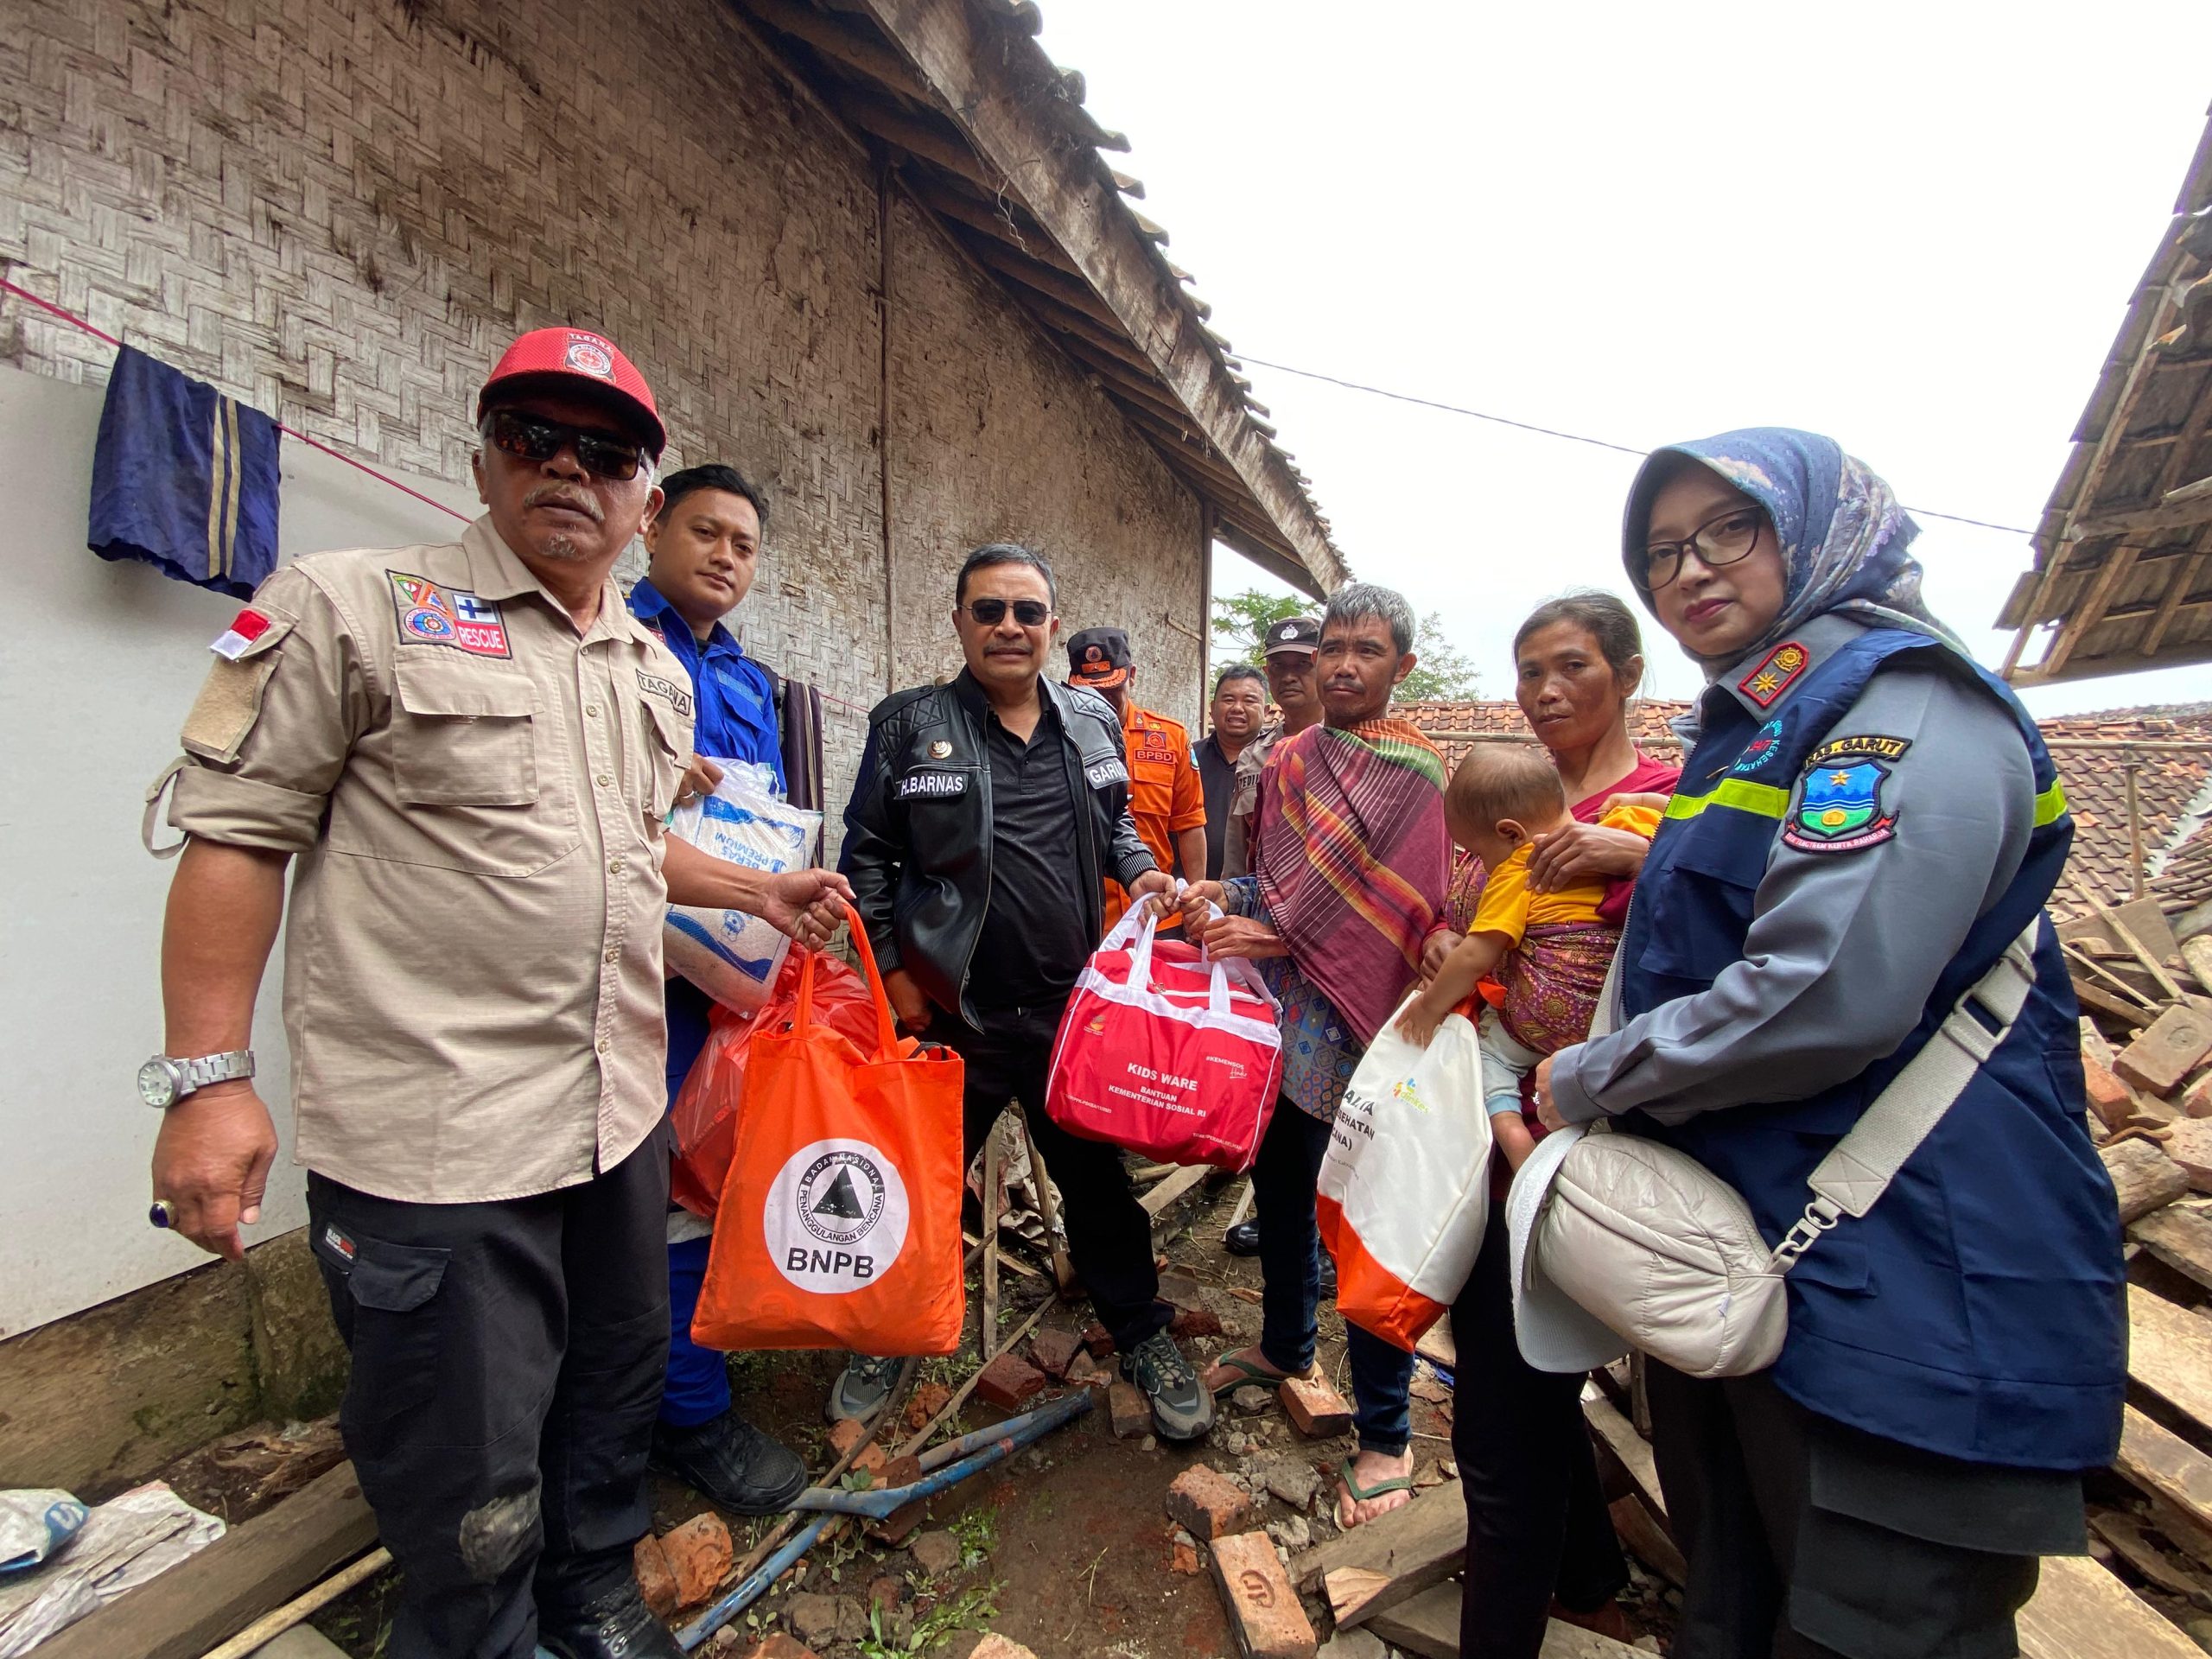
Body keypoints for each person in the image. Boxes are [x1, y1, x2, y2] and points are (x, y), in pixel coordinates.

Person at [141, 328, 853, 1659]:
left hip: (615, 1118)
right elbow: (236, 834)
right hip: (438, 1144)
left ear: (638, 495)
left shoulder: (647, 671)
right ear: (484, 461)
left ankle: (592, 1594)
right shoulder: (354, 606)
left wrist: (755, 891)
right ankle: (482, 1634)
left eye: (606, 453)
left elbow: (626, 844)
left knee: (608, 1392)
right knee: (462, 1459)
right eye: (535, 438)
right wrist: (207, 1082)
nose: (569, 469)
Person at [1531, 428, 2125, 1659]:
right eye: (1661, 552)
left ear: (1821, 531)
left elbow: (1821, 993)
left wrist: (1583, 1079)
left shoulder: (1906, 703)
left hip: (1910, 1290)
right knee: (1733, 1608)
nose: (1692, 568)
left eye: (1730, 528)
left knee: (1875, 1626)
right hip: (1769, 1265)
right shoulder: (1756, 726)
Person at [833, 544, 1215, 1442]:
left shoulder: (1089, 718)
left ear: (1051, 624)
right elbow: (867, 858)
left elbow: (1117, 823)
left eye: (1027, 612)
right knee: (921, 1183)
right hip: (950, 1015)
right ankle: (888, 1333)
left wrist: (1143, 871)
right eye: (989, 610)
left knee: (1098, 1189)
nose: (1009, 627)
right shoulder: (909, 724)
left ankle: (1141, 1333)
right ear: (959, 621)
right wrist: (896, 979)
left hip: (1066, 1014)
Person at [1427, 591, 1669, 1659]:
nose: (1545, 690)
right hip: (1488, 1138)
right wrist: (1445, 950)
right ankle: (1589, 1579)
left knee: (1498, 1429)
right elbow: (1461, 923)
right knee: (1525, 1379)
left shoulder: (1667, 806)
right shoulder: (1504, 799)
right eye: (1530, 671)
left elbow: (1739, 928)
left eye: (1571, 666)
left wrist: (1641, 861)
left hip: (1588, 1151)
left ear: (1627, 673)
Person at [1179, 582, 1447, 1529]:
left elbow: (1407, 909)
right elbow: (1276, 883)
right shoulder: (1289, 758)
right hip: (1282, 1024)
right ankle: (1286, 1346)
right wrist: (1223, 895)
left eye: (1366, 651)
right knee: (1283, 1196)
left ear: (1400, 666)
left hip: (1365, 1034)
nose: (1342, 666)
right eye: (1332, 647)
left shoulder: (1415, 773)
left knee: (1364, 1228)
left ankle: (1386, 1433)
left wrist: (1276, 930)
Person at [626, 463, 808, 1516]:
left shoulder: (746, 677)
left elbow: (766, 818)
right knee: (636, 1196)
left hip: (724, 977)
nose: (725, 557)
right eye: (706, 533)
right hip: (616, 975)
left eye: (743, 544)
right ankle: (669, 1411)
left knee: (703, 1180)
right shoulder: (609, 643)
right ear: (652, 527)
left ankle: (687, 1394)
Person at [1395, 745, 1658, 1164]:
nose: (1483, 866)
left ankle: (1518, 1148)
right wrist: (1638, 800)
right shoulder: (1619, 826)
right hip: (1612, 1017)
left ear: (1511, 834)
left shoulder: (1521, 868)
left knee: (1489, 1060)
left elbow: (1475, 956)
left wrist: (1429, 1007)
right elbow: (1676, 817)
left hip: (1545, 1015)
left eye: (1480, 853)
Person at [1065, 625, 1207, 922]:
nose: (1101, 701)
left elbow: (1190, 823)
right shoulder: (1060, 742)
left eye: (1111, 689)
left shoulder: (1170, 738)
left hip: (1159, 910)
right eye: (1090, 692)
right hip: (1088, 918)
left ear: (1131, 675)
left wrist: (1195, 903)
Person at [1221, 614, 1322, 883]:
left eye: (1302, 665)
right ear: (1267, 673)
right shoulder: (1253, 755)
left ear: (1324, 666)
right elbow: (1237, 852)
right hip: (1258, 899)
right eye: (1278, 666)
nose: (1288, 677)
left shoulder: (1346, 746)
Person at [1195, 664, 1268, 880]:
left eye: (1249, 701)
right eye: (1228, 700)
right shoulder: (1187, 758)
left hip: (1252, 891)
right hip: (1187, 889)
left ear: (1266, 711)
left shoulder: (1278, 760)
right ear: (1212, 707)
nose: (1237, 708)